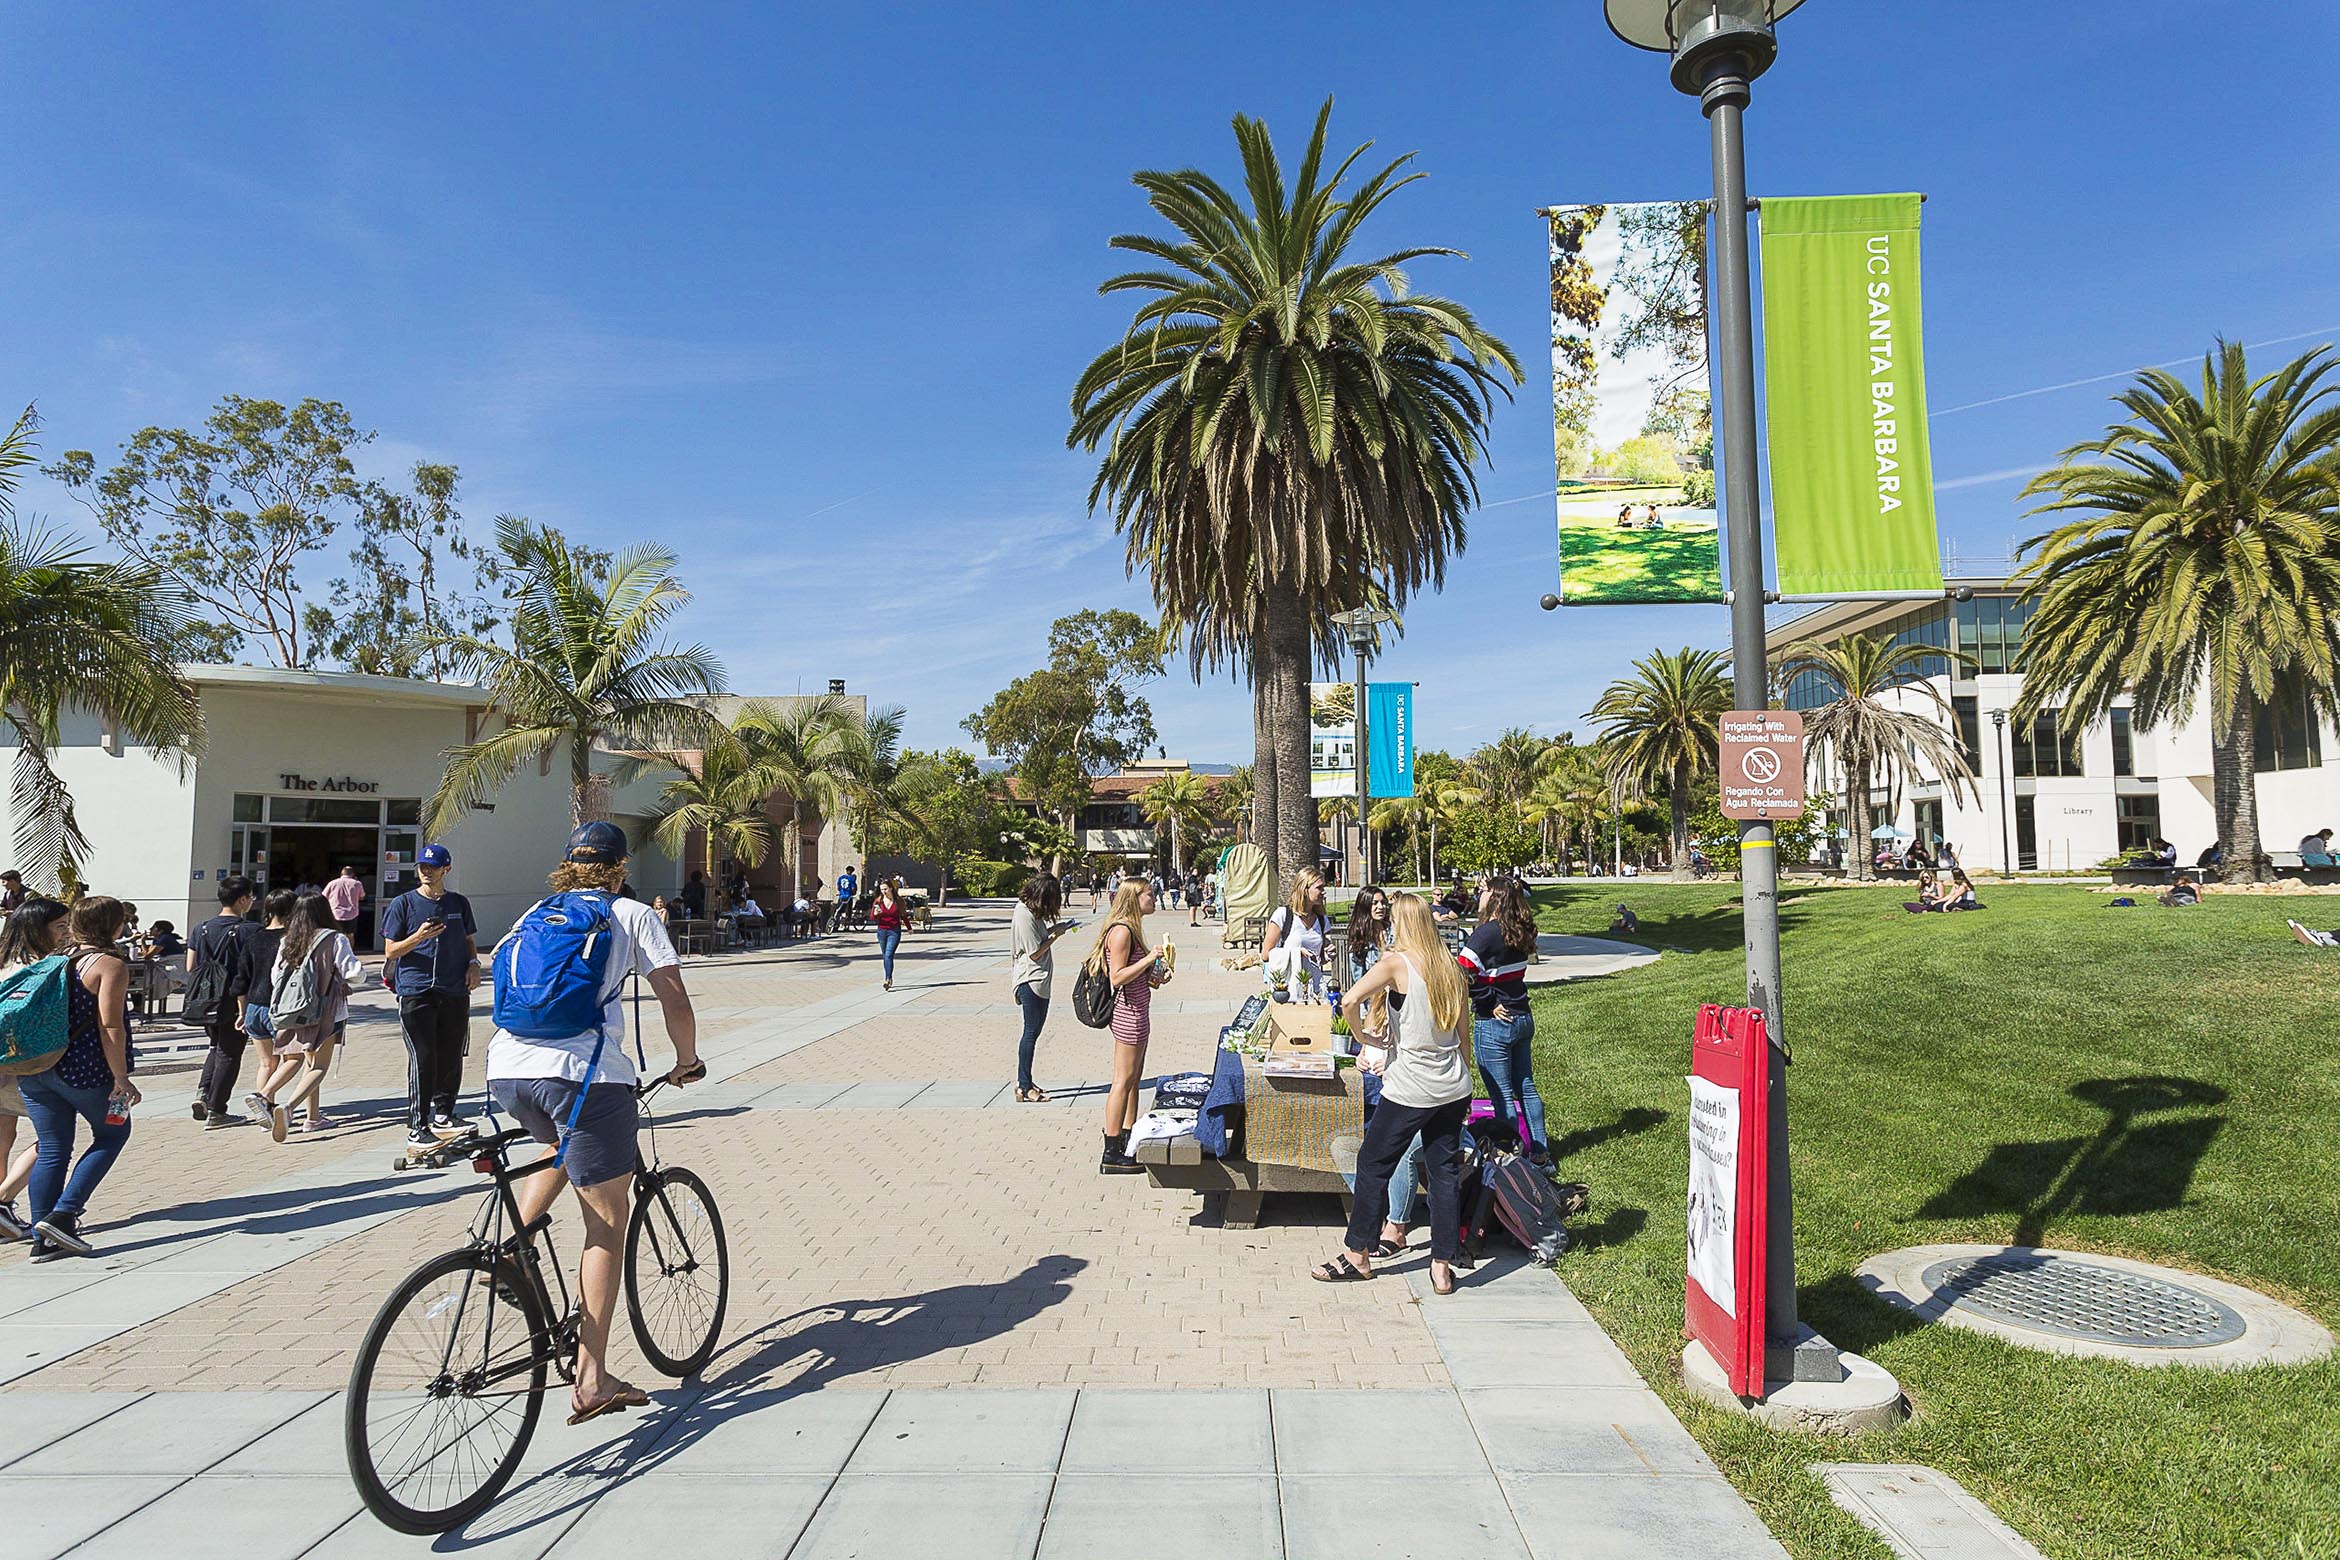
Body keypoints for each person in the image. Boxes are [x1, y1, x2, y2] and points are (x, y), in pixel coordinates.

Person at [486, 821, 702, 1425]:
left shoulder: (538, 910)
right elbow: (674, 999)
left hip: (507, 1069)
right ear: (620, 864)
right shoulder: (631, 914)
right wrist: (687, 1061)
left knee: (561, 1145)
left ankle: (514, 1244)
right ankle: (591, 1378)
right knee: (607, 1221)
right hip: (585, 1075)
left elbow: (495, 976)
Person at [1314, 892, 1473, 1295]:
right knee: (1443, 1172)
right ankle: (1442, 1264)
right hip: (1452, 1083)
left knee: (1372, 1163)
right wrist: (1463, 1080)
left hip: (1411, 1086)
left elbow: (1349, 999)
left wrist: (1361, 1035)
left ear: (1401, 924)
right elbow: (1464, 1037)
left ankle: (1357, 1255)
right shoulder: (1451, 967)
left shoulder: (1396, 964)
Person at [18, 896, 139, 1261]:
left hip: (37, 1070)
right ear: (114, 926)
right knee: (113, 1133)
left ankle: (44, 1237)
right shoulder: (109, 965)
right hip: (83, 1071)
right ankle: (64, 1214)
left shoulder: (55, 962)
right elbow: (110, 1026)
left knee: (53, 1147)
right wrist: (122, 1078)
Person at [378, 844, 483, 1158]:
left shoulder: (458, 903)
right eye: (423, 866)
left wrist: (474, 965)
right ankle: (417, 1126)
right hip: (416, 991)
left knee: (451, 1054)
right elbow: (390, 951)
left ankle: (444, 1114)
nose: (426, 871)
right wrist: (419, 937)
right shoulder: (403, 904)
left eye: (433, 867)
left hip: (453, 989)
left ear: (446, 870)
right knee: (424, 1058)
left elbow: (468, 940)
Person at [244, 893, 363, 1140]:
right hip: (328, 1011)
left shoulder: (289, 940)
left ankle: (305, 1113)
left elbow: (277, 977)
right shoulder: (334, 938)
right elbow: (355, 973)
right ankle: (288, 1109)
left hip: (295, 1010)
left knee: (302, 1060)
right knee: (318, 1066)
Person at [1461, 875, 1551, 1170]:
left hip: (1496, 1020)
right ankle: (1540, 1153)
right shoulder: (1522, 928)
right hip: (1523, 1015)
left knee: (1501, 1093)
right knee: (1526, 1087)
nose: (1479, 894)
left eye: (1483, 890)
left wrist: (1487, 1000)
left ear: (1496, 896)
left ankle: (1510, 1158)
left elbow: (1461, 972)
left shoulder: (1486, 933)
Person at [0, 897, 73, 1242]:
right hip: (28, 1064)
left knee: (2, 1138)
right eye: (60, 927)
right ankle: (3, 1200)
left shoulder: (3, 962)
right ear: (37, 928)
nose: (66, 933)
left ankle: (3, 1216)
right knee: (53, 1138)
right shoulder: (49, 968)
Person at [1088, 879, 1167, 1172]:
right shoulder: (1121, 931)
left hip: (1139, 1010)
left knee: (1134, 1079)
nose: (1155, 898)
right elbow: (1117, 977)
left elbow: (1132, 975)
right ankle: (1111, 1149)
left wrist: (1152, 976)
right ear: (1135, 898)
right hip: (1127, 1014)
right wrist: (1150, 958)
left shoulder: (1132, 929)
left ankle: (1127, 1136)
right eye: (1150, 894)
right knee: (1122, 1079)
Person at [188, 876, 261, 1128]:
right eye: (251, 897)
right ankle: (218, 1111)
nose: (252, 902)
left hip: (207, 999)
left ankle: (204, 1094)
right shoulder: (250, 930)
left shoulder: (201, 928)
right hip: (234, 999)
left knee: (215, 1047)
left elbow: (191, 966)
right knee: (230, 1053)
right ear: (242, 899)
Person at [1009, 874, 1074, 1104]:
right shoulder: (1024, 914)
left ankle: (1026, 1081)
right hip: (1031, 979)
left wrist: (1055, 928)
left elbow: (1038, 939)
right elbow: (1034, 951)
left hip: (1040, 979)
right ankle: (1024, 1086)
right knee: (1030, 1033)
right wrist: (1056, 935)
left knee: (1033, 1033)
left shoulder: (1030, 912)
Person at [1260, 868, 1333, 997]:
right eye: (1319, 888)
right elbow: (1266, 955)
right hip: (1287, 990)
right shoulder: (1283, 915)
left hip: (1315, 989)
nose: (1323, 892)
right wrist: (1297, 952)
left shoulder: (1322, 920)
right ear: (1305, 890)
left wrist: (1328, 954)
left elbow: (1318, 959)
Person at [1346, 885, 1391, 988]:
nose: (1381, 907)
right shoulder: (1359, 937)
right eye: (1375, 903)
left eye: (1383, 903)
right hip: (1373, 995)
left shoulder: (1393, 931)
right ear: (1365, 906)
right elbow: (1359, 978)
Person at [869, 878, 906, 990]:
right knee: (885, 956)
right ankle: (888, 977)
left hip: (894, 931)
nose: (884, 891)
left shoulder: (898, 901)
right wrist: (875, 914)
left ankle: (888, 979)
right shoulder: (878, 901)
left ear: (891, 888)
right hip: (882, 931)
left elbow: (903, 915)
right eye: (881, 889)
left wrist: (909, 928)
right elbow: (872, 917)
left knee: (889, 954)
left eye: (885, 889)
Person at [323, 865, 367, 943]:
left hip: (335, 913)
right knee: (350, 935)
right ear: (352, 874)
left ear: (341, 873)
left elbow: (323, 897)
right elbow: (362, 897)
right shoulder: (357, 883)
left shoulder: (332, 883)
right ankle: (350, 952)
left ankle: (336, 952)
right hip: (351, 913)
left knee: (335, 935)